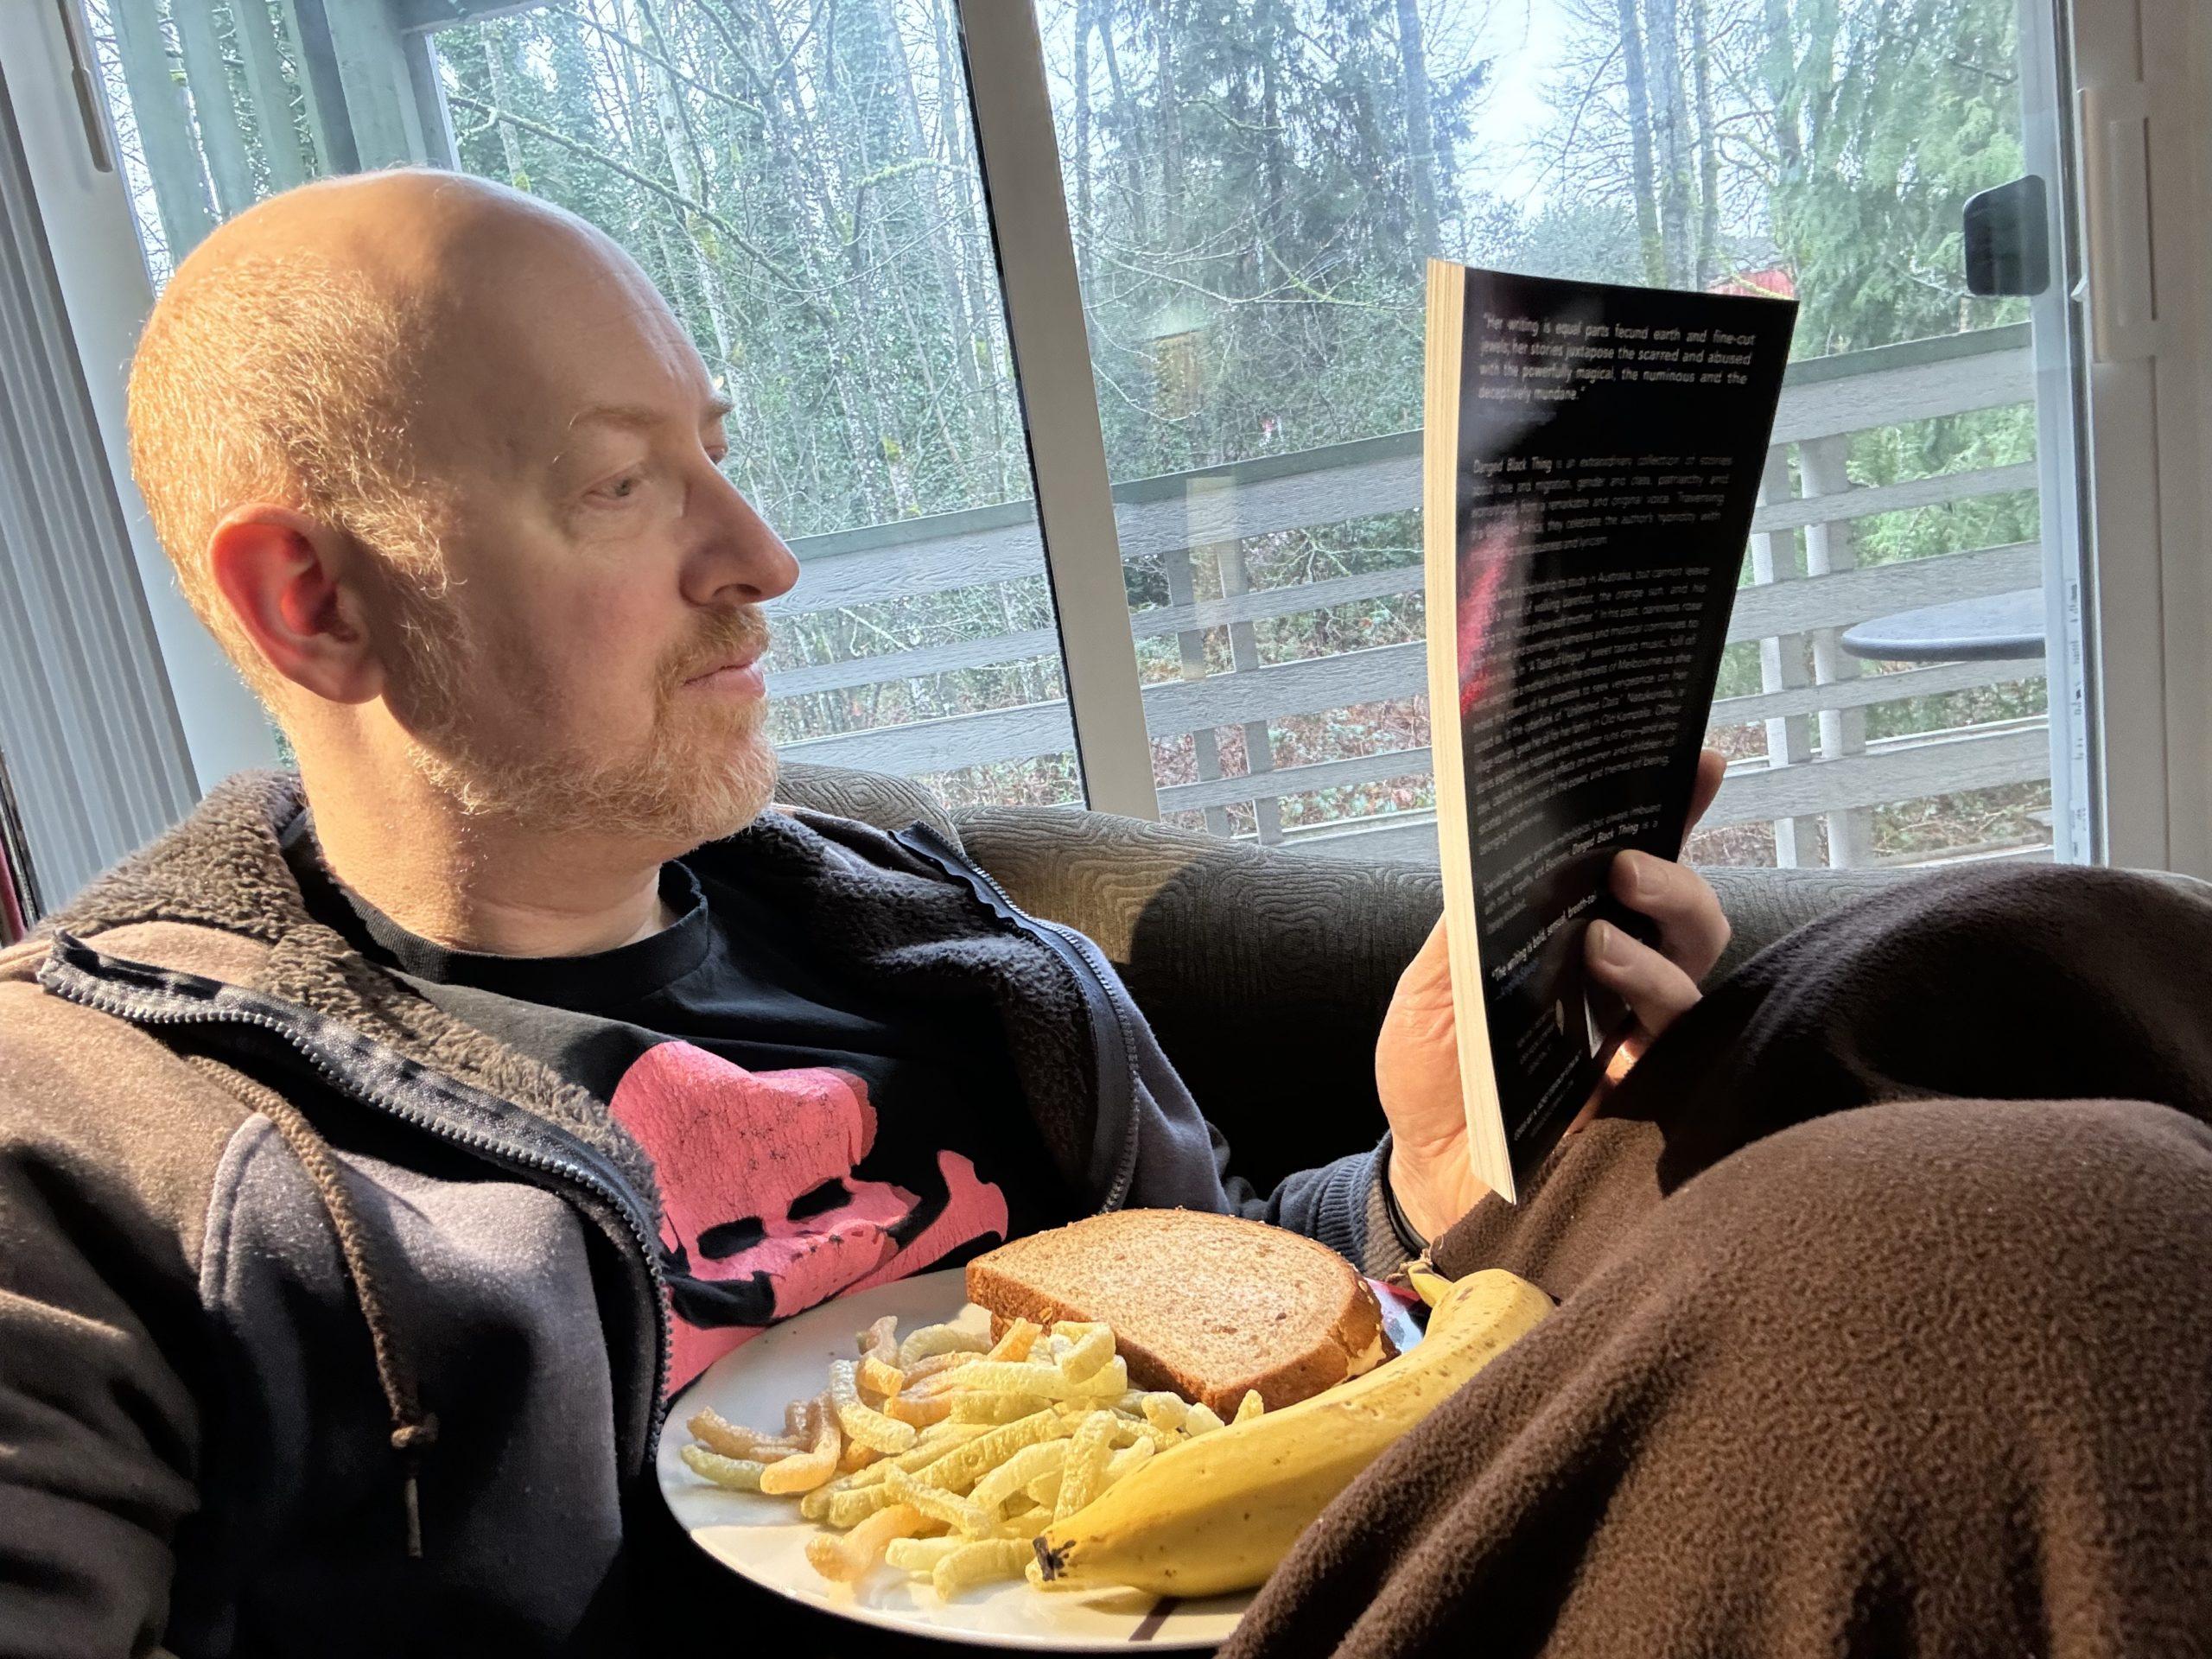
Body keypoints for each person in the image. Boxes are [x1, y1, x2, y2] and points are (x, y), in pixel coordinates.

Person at [8, 170, 2209, 1659]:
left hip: (1279, 1579)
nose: (759, 556)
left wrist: (1422, 1173)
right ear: (316, 599)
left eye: (719, 447)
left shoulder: (894, 920)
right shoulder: (103, 1136)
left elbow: (1226, 1317)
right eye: (619, 482)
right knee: (2014, 1238)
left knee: (2005, 957)